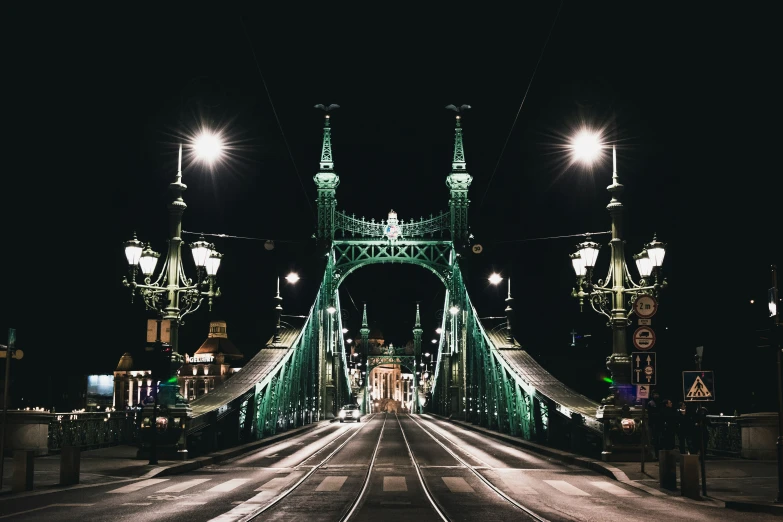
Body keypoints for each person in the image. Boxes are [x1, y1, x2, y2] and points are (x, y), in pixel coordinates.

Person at [646, 393, 661, 457]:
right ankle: (654, 454)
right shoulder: (651, 403)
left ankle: (657, 455)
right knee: (653, 440)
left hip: (658, 424)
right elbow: (650, 413)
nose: (656, 395)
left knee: (658, 440)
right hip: (652, 424)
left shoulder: (658, 403)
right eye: (655, 394)